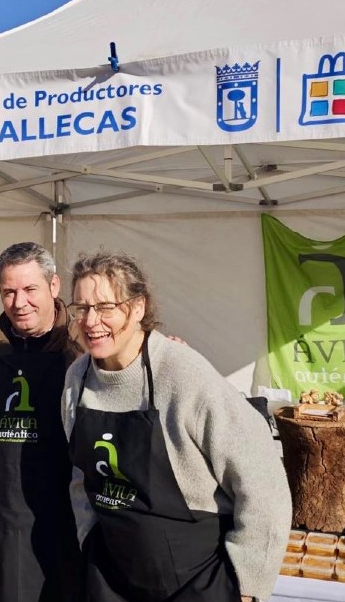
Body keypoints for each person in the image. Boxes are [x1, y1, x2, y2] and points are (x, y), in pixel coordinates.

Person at [61, 251, 290, 602]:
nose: (91, 321)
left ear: (137, 308)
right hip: (111, 579)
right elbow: (81, 476)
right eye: (81, 308)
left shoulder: (183, 374)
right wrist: (87, 536)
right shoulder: (77, 380)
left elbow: (263, 482)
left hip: (197, 580)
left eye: (105, 307)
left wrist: (247, 584)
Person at [0, 242, 83, 602]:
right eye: (9, 292)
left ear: (54, 286)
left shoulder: (82, 347)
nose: (19, 302)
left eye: (29, 289)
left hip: (64, 522)